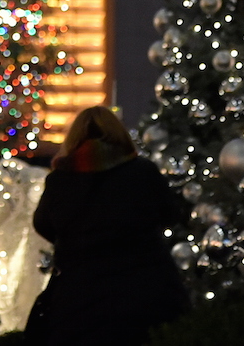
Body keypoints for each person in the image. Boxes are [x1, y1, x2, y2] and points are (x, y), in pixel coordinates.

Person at [25, 104, 190, 343]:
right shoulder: (142, 171)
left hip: (79, 295)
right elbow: (170, 213)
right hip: (145, 289)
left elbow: (42, 223)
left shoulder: (61, 179)